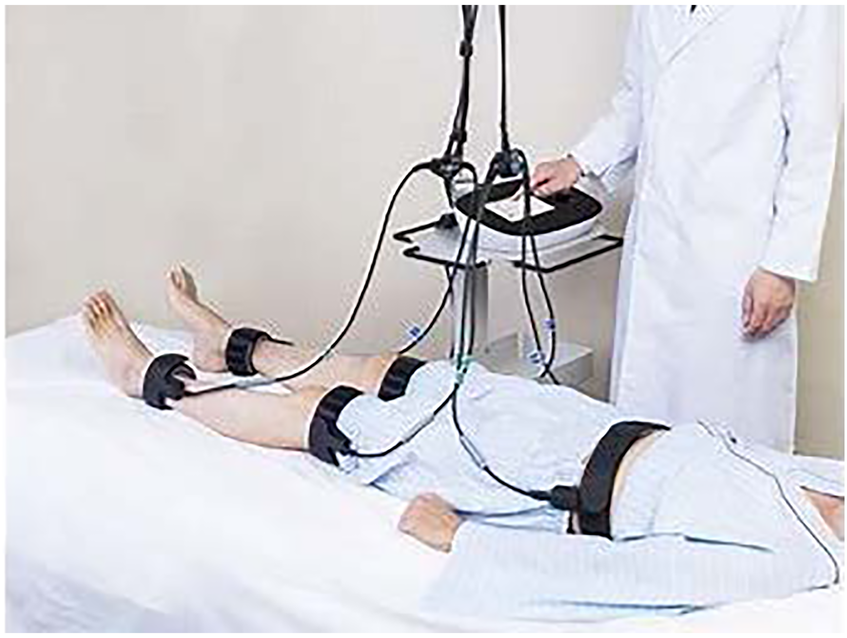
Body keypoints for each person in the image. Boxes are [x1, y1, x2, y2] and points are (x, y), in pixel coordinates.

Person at [80, 266, 843, 621]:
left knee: (341, 417)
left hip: (549, 479)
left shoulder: (801, 562)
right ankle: (236, 346)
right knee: (410, 374)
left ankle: (148, 375)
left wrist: (465, 540)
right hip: (581, 428)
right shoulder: (830, 482)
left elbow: (638, 574)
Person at [531, 6, 842, 452]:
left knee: (733, 446)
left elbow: (814, 138)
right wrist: (579, 162)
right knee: (645, 445)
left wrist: (783, 266)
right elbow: (637, 98)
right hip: (658, 245)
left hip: (739, 254)